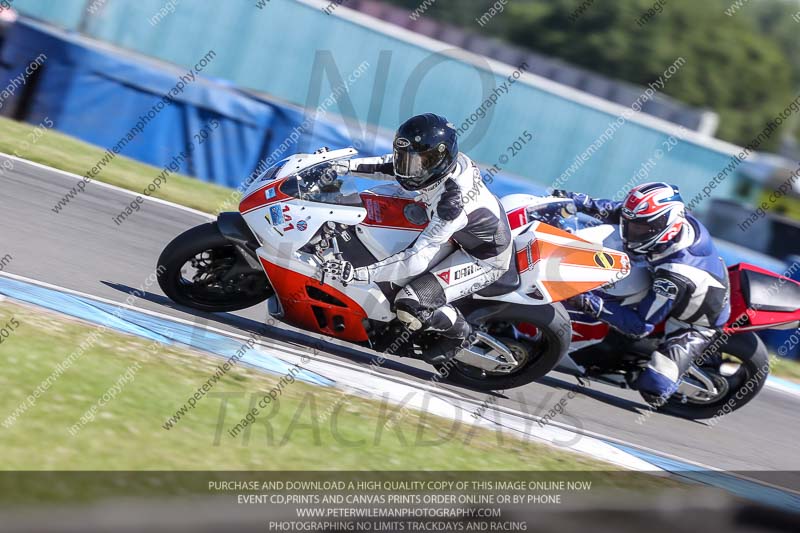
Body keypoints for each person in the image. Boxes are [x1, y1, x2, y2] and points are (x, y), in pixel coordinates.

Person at [321, 113, 513, 363]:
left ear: (440, 160)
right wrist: (341, 165)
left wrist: (361, 274)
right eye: (407, 159)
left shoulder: (452, 203)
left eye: (418, 162)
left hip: (482, 257)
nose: (409, 168)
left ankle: (460, 334)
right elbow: (389, 165)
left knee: (409, 303)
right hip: (456, 231)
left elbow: (417, 258)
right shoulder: (435, 165)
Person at [552, 182, 730, 398]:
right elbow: (619, 212)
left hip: (692, 322)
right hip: (671, 278)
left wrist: (584, 299)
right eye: (630, 224)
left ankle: (657, 373)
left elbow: (640, 325)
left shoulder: (675, 274)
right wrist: (580, 202)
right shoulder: (667, 223)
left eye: (639, 228)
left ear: (667, 228)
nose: (630, 231)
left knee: (655, 385)